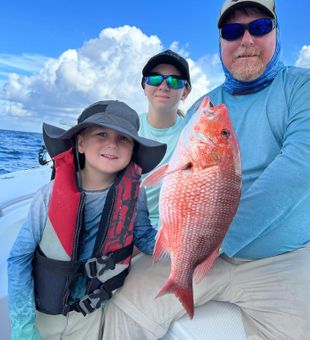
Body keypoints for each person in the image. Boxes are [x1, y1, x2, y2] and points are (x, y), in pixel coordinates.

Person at [101, 1, 310, 339]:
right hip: (195, 248)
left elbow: (300, 168)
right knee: (125, 306)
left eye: (258, 27)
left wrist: (213, 239)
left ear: (276, 32)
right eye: (232, 31)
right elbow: (178, 177)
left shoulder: (302, 87)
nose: (245, 40)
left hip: (282, 259)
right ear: (220, 43)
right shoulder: (204, 105)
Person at [7, 100, 166, 340]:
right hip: (43, 316)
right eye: (101, 134)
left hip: (91, 316)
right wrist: (23, 325)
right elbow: (18, 258)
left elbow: (144, 238)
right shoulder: (48, 195)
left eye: (123, 138)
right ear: (80, 143)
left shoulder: (136, 195)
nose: (112, 144)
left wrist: (188, 242)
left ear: (133, 149)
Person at [133, 49, 191, 252]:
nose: (164, 86)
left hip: (176, 229)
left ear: (185, 91)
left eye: (175, 81)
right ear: (144, 86)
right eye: (155, 79)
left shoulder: (193, 134)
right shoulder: (127, 128)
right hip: (126, 227)